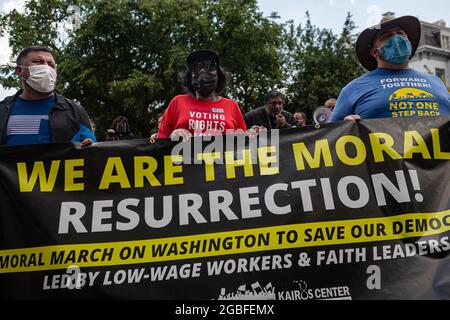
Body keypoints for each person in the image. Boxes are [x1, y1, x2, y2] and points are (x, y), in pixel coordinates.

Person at [331, 15, 450, 122]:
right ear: (375, 52)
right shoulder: (352, 90)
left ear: (409, 43)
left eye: (400, 33)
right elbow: (330, 137)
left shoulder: (437, 82)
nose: (396, 38)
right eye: (387, 36)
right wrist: (345, 127)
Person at [0, 46, 96, 146]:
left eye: (51, 64)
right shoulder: (2, 110)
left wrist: (90, 146)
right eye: (38, 62)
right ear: (19, 71)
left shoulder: (75, 111)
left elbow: (91, 149)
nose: (46, 68)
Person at [157, 50, 247, 139]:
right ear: (190, 77)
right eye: (195, 68)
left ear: (219, 75)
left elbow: (244, 144)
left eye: (210, 67)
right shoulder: (177, 102)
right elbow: (159, 143)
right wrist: (172, 137)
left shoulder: (232, 106)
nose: (202, 71)